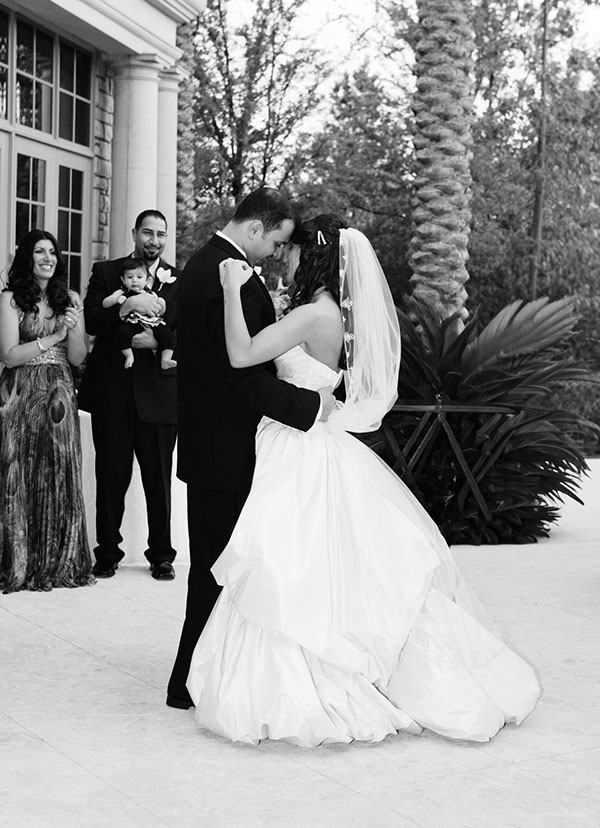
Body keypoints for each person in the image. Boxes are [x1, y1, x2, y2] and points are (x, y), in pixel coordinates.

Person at [185, 214, 541, 746]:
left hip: (297, 448)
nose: (287, 258)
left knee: (291, 565)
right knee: (325, 565)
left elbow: (240, 355)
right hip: (319, 441)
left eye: (295, 251)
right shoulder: (336, 317)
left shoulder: (311, 314)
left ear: (317, 257)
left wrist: (233, 291)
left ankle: (307, 680)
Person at [166, 187, 336, 710]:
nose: (277, 254)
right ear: (257, 228)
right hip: (226, 448)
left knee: (224, 566)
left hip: (221, 443)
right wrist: (311, 409)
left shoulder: (209, 264)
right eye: (277, 241)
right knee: (219, 567)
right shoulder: (224, 274)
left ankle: (201, 676)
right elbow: (238, 375)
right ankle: (188, 682)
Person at [78, 210, 179, 581]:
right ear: (135, 232)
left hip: (159, 396)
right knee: (110, 477)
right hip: (114, 395)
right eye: (148, 232)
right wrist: (126, 306)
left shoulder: (177, 280)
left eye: (161, 234)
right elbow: (92, 320)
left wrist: (157, 341)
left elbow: (190, 330)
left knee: (159, 481)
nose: (154, 240)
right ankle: (106, 553)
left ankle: (162, 555)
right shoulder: (106, 273)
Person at [0, 230, 94, 593]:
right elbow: (8, 355)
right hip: (19, 393)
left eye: (52, 252)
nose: (47, 258)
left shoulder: (69, 298)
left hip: (58, 394)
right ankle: (17, 560)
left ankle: (57, 562)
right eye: (39, 251)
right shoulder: (10, 300)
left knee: (57, 471)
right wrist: (52, 336)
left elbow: (78, 358)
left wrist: (71, 332)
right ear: (26, 257)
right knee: (17, 473)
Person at [103, 257, 176, 370]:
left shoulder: (151, 293)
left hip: (150, 323)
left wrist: (162, 305)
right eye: (130, 277)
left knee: (168, 335)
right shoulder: (122, 291)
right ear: (123, 280)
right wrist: (116, 300)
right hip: (132, 322)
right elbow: (105, 303)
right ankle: (129, 355)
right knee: (122, 332)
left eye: (139, 277)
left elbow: (160, 312)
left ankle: (165, 359)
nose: (134, 281)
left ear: (147, 280)